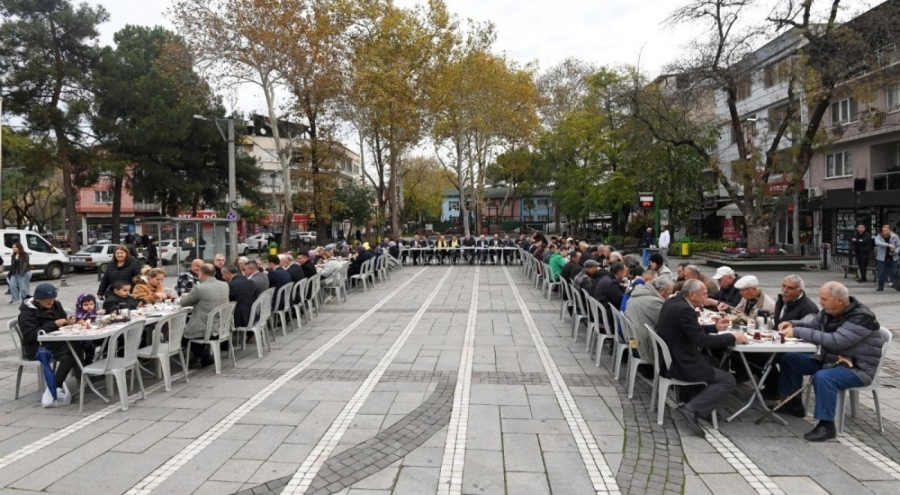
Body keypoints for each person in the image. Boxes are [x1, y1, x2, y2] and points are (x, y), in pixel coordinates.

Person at [776, 282, 883, 442]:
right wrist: (793, 323)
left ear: (839, 300)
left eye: (824, 299)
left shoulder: (861, 317)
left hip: (857, 368)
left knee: (824, 377)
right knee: (790, 359)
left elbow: (836, 341)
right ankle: (793, 404)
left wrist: (797, 331)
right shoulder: (830, 311)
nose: (820, 302)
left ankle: (826, 426)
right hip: (831, 360)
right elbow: (813, 326)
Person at [656, 279, 747, 437]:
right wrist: (732, 338)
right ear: (692, 295)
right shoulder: (685, 309)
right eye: (704, 294)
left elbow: (691, 330)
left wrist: (715, 327)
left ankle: (699, 401)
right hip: (680, 362)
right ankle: (691, 408)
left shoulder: (673, 302)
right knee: (728, 380)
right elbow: (702, 341)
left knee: (715, 362)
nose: (707, 297)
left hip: (671, 356)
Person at [18, 283, 82, 389]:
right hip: (38, 349)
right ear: (37, 299)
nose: (51, 302)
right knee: (74, 346)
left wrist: (68, 322)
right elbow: (30, 335)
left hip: (56, 343)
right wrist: (53, 324)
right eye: (47, 299)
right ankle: (81, 376)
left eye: (53, 298)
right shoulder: (26, 314)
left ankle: (56, 386)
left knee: (70, 355)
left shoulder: (56, 305)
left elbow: (63, 319)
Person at [179, 264, 230, 368]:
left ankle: (205, 356)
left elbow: (184, 303)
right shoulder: (224, 285)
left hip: (206, 328)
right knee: (194, 333)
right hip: (222, 326)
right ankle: (201, 357)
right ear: (215, 273)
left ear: (200, 274)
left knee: (184, 337)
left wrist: (185, 296)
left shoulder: (199, 288)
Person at [625, 277, 676, 368]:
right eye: (668, 294)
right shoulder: (653, 302)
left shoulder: (639, 294)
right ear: (661, 290)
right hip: (645, 347)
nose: (668, 297)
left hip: (634, 342)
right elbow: (670, 323)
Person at [874, 223, 900, 291]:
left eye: (887, 230)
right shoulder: (878, 237)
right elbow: (877, 243)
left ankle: (898, 286)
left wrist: (895, 252)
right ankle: (880, 286)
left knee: (895, 272)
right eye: (884, 230)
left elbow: (898, 246)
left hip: (893, 258)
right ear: (882, 231)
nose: (886, 232)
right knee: (881, 273)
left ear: (889, 230)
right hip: (882, 258)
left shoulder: (895, 236)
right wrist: (888, 245)